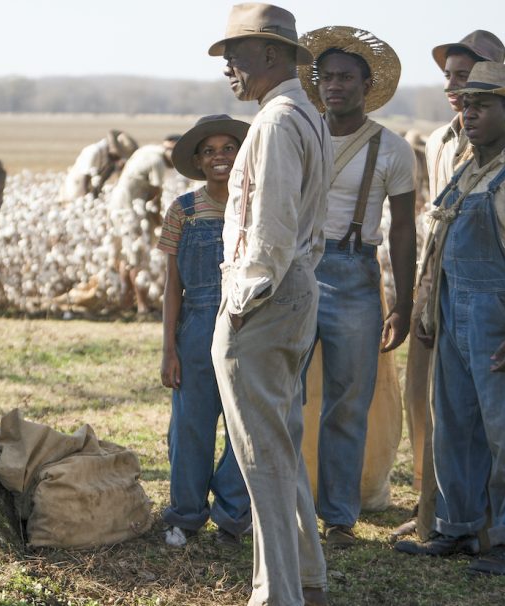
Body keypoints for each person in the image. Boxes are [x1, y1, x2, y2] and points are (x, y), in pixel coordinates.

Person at [396, 62, 505, 575]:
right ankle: (458, 527)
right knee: (455, 426)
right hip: (451, 314)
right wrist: (428, 307)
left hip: (500, 319)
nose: (469, 113)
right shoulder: (467, 171)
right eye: (465, 104)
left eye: (483, 105)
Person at [206, 4, 332, 605]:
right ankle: (306, 574)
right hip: (295, 291)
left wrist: (240, 301)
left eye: (237, 53)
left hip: (267, 296)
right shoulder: (301, 115)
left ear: (274, 55)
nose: (228, 65)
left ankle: (277, 593)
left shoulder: (279, 122)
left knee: (262, 455)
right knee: (279, 439)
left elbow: (273, 230)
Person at [295, 25, 416, 548]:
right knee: (283, 392)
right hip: (296, 269)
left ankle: (339, 516)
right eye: (327, 77)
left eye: (347, 77)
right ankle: (280, 503)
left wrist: (404, 301)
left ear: (368, 85)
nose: (334, 86)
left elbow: (406, 228)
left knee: (348, 401)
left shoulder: (392, 149)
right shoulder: (298, 132)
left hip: (356, 275)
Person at [157, 115, 252, 547]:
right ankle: (186, 514)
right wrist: (168, 350)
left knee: (242, 427)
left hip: (246, 324)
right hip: (196, 325)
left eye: (228, 148)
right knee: (190, 426)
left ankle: (232, 516)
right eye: (210, 150)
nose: (220, 157)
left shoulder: (255, 207)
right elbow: (171, 287)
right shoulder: (184, 210)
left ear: (243, 154)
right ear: (198, 160)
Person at [111, 136, 179, 314]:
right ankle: (142, 306)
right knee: (137, 256)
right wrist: (162, 224)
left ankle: (125, 302)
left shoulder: (148, 150)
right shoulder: (157, 162)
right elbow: (156, 197)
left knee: (127, 254)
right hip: (131, 209)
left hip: (120, 205)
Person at [59, 130, 138, 201]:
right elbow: (86, 177)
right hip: (76, 188)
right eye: (119, 155)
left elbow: (103, 178)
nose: (119, 159)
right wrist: (89, 197)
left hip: (88, 192)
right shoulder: (93, 151)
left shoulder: (110, 159)